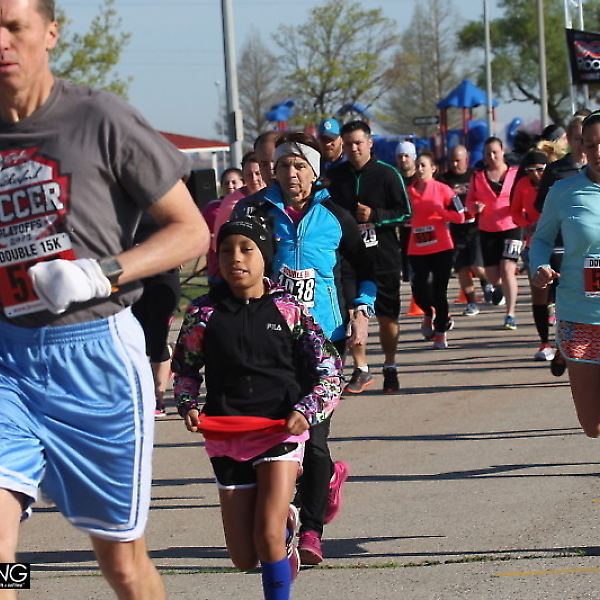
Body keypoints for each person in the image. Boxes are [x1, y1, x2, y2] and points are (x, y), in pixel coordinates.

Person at [0, 1, 210, 598]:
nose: (1, 41)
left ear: (50, 33)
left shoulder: (99, 117)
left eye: (13, 26)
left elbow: (191, 231)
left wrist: (100, 274)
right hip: (6, 358)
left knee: (121, 564)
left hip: (95, 361)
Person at [172, 217, 343, 600]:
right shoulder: (203, 313)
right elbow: (185, 368)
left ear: (265, 257)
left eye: (246, 249)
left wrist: (307, 410)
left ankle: (279, 543)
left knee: (266, 536)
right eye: (226, 250)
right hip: (226, 435)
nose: (236, 258)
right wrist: (187, 404)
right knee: (243, 557)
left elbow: (329, 367)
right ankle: (285, 528)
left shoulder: (288, 308)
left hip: (279, 430)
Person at [231, 131, 376, 566]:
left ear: (314, 171)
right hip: (269, 338)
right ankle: (323, 482)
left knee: (313, 439)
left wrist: (362, 309)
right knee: (272, 436)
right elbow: (230, 266)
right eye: (282, 165)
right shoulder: (253, 211)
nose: (290, 173)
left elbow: (367, 268)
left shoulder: (336, 214)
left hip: (325, 339)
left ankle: (311, 531)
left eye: (299, 166)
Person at [530, 110, 600, 439]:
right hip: (579, 315)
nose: (598, 152)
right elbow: (541, 240)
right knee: (592, 426)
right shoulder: (563, 191)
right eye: (591, 144)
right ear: (580, 146)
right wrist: (539, 267)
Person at [328, 121, 412, 393]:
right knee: (352, 314)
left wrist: (375, 215)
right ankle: (361, 368)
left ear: (369, 143)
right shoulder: (334, 176)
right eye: (348, 144)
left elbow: (405, 212)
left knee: (387, 317)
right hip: (348, 259)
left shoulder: (387, 174)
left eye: (358, 143)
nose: (353, 148)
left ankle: (390, 365)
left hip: (383, 257)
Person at [534, 115, 588, 376]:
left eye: (588, 139)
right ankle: (563, 345)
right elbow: (540, 207)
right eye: (578, 139)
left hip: (591, 252)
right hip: (561, 248)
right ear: (569, 139)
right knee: (566, 300)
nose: (583, 145)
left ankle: (573, 347)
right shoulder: (556, 172)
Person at [407, 151, 466, 349]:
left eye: (423, 165)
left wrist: (440, 211)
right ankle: (428, 312)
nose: (420, 169)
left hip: (441, 247)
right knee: (419, 290)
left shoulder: (444, 189)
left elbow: (460, 216)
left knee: (440, 291)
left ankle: (440, 332)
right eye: (417, 165)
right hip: (417, 248)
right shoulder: (409, 191)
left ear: (433, 169)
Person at [466, 136, 521, 330]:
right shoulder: (478, 177)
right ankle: (498, 288)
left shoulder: (515, 174)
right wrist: (474, 207)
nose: (492, 156)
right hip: (488, 229)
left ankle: (510, 314)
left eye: (495, 152)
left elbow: (525, 195)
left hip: (512, 226)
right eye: (488, 153)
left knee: (507, 269)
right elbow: (469, 202)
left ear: (503, 151)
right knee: (493, 277)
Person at [131, 213, 182, 417]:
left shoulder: (163, 202)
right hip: (134, 276)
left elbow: (187, 226)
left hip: (164, 275)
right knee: (140, 339)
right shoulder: (121, 205)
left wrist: (181, 250)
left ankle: (157, 398)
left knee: (157, 338)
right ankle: (168, 354)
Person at [510, 150, 552, 361]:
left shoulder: (556, 182)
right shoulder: (523, 185)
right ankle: (545, 343)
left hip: (561, 243)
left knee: (565, 293)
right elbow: (515, 211)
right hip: (535, 245)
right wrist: (527, 225)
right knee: (539, 293)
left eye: (539, 170)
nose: (535, 174)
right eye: (530, 171)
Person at [439, 144, 492, 315]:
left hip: (476, 227)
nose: (454, 164)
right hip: (455, 229)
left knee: (477, 266)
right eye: (452, 161)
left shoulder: (475, 176)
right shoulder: (444, 179)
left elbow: (486, 196)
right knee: (461, 268)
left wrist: (479, 206)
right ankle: (471, 303)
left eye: (458, 160)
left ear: (466, 160)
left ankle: (487, 284)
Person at [207, 152, 265, 286]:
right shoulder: (232, 202)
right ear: (243, 176)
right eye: (249, 174)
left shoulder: (276, 197)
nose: (254, 178)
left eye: (258, 173)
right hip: (239, 265)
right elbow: (218, 238)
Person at [395, 140, 417, 283]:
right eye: (400, 156)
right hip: (403, 230)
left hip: (420, 228)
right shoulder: (395, 179)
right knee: (408, 277)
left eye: (406, 156)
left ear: (413, 157)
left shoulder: (421, 178)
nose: (403, 159)